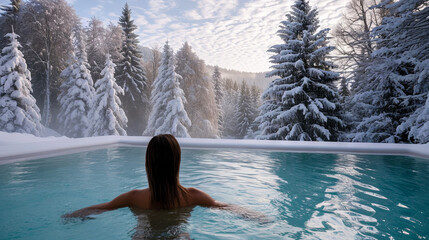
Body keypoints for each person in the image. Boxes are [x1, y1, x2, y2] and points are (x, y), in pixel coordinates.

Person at [63, 134, 267, 222]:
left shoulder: (134, 198)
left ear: (149, 164)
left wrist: (71, 216)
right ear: (176, 162)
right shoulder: (192, 196)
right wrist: (258, 217)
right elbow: (226, 207)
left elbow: (100, 208)